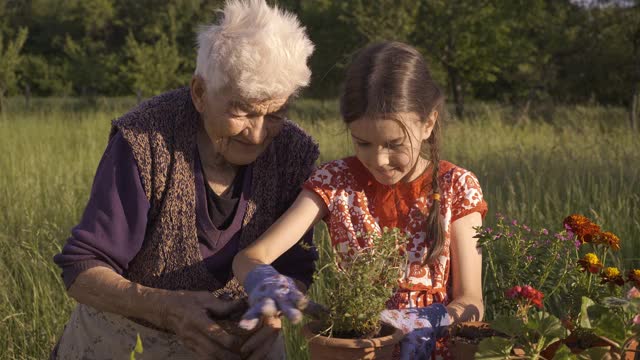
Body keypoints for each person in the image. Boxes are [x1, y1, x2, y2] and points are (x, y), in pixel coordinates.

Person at [52, 1, 318, 359]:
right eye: (242, 111)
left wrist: (273, 313)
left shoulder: (294, 153)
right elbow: (82, 269)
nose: (257, 134)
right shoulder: (145, 140)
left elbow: (295, 266)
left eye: (277, 113)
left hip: (241, 345)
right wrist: (167, 308)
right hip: (128, 338)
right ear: (200, 93)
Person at [233, 41, 487, 360]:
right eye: (362, 143)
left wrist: (433, 320)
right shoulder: (336, 182)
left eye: (394, 143)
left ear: (428, 123)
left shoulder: (456, 187)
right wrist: (263, 278)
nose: (378, 159)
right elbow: (250, 257)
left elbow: (472, 301)